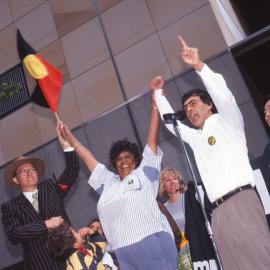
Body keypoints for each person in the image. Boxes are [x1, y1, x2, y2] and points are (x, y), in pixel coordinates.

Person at [152, 36, 270, 270]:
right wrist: (157, 96)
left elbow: (224, 96)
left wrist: (199, 66)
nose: (189, 109)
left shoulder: (228, 121)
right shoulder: (196, 138)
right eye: (186, 108)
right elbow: (171, 125)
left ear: (209, 105)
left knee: (261, 260)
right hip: (217, 213)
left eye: (194, 103)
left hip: (241, 202)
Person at [58, 90, 178, 270]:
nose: (124, 162)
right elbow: (88, 158)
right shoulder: (108, 182)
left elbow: (152, 139)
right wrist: (70, 137)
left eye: (128, 157)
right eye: (119, 159)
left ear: (136, 160)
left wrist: (155, 103)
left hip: (152, 242)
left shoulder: (144, 173)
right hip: (122, 252)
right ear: (114, 163)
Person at [1, 122, 79, 270]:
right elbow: (14, 234)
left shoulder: (51, 188)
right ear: (16, 180)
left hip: (70, 260)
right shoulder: (10, 207)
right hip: (39, 264)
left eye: (32, 169)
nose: (29, 172)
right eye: (23, 171)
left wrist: (66, 145)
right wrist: (45, 225)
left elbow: (72, 171)